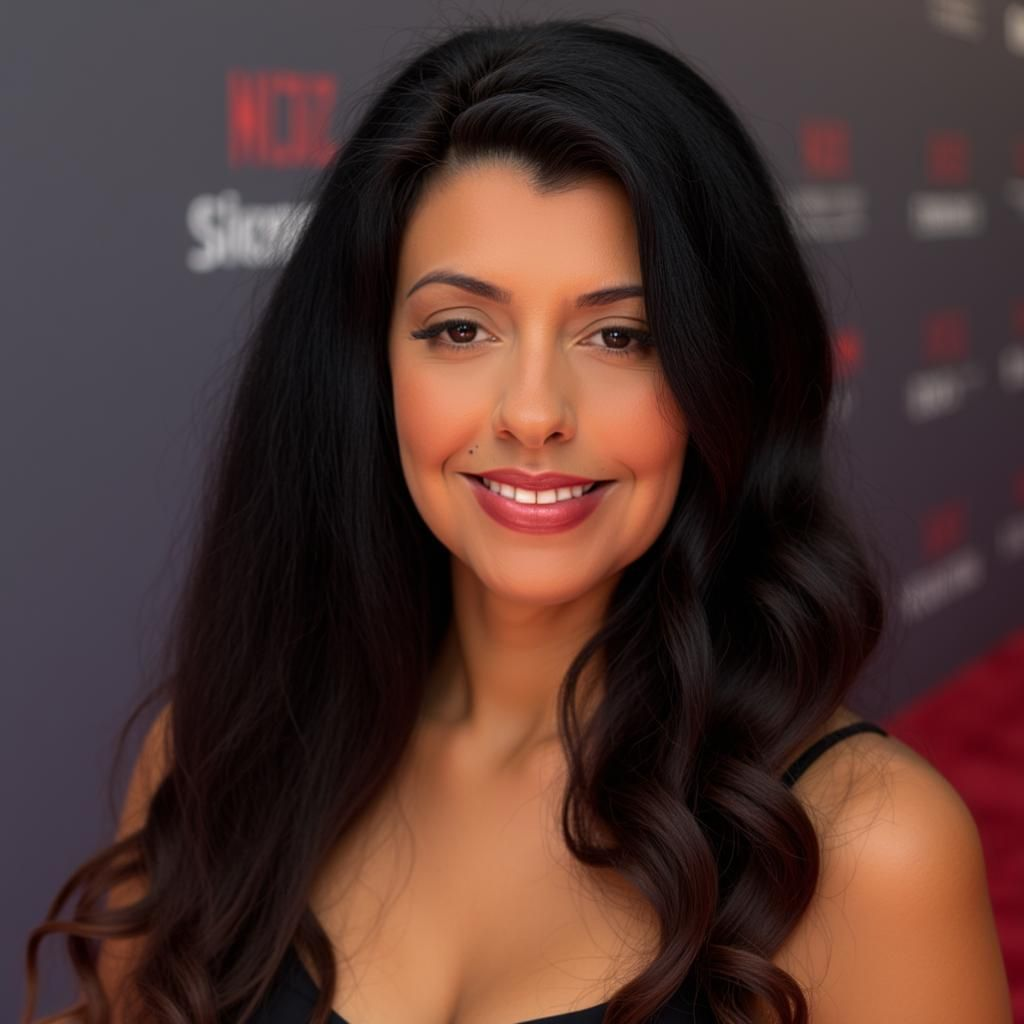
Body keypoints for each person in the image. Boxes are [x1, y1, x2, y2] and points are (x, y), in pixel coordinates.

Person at [22, 14, 1012, 1024]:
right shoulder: (222, 749)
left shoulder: (869, 847)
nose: (534, 411)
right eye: (460, 328)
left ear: (724, 376)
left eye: (621, 334)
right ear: (370, 368)